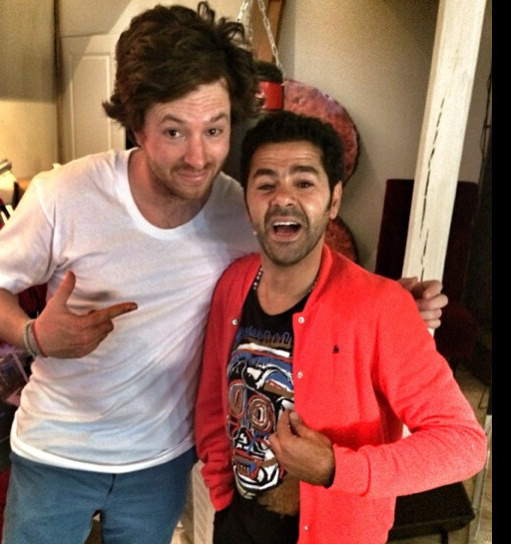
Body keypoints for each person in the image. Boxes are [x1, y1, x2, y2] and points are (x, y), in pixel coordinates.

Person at [0, 3, 447, 544]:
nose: (198, 156)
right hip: (56, 452)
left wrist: (386, 297)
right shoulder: (64, 195)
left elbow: (306, 266)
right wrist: (34, 335)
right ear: (136, 124)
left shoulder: (239, 210)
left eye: (215, 130)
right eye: (174, 132)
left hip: (162, 463)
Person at [194, 110, 487, 544]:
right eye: (266, 183)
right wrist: (221, 492)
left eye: (304, 182)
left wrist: (336, 468)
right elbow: (214, 404)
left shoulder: (382, 307)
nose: (283, 198)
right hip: (237, 524)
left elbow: (464, 444)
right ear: (248, 203)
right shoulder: (233, 284)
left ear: (334, 200)